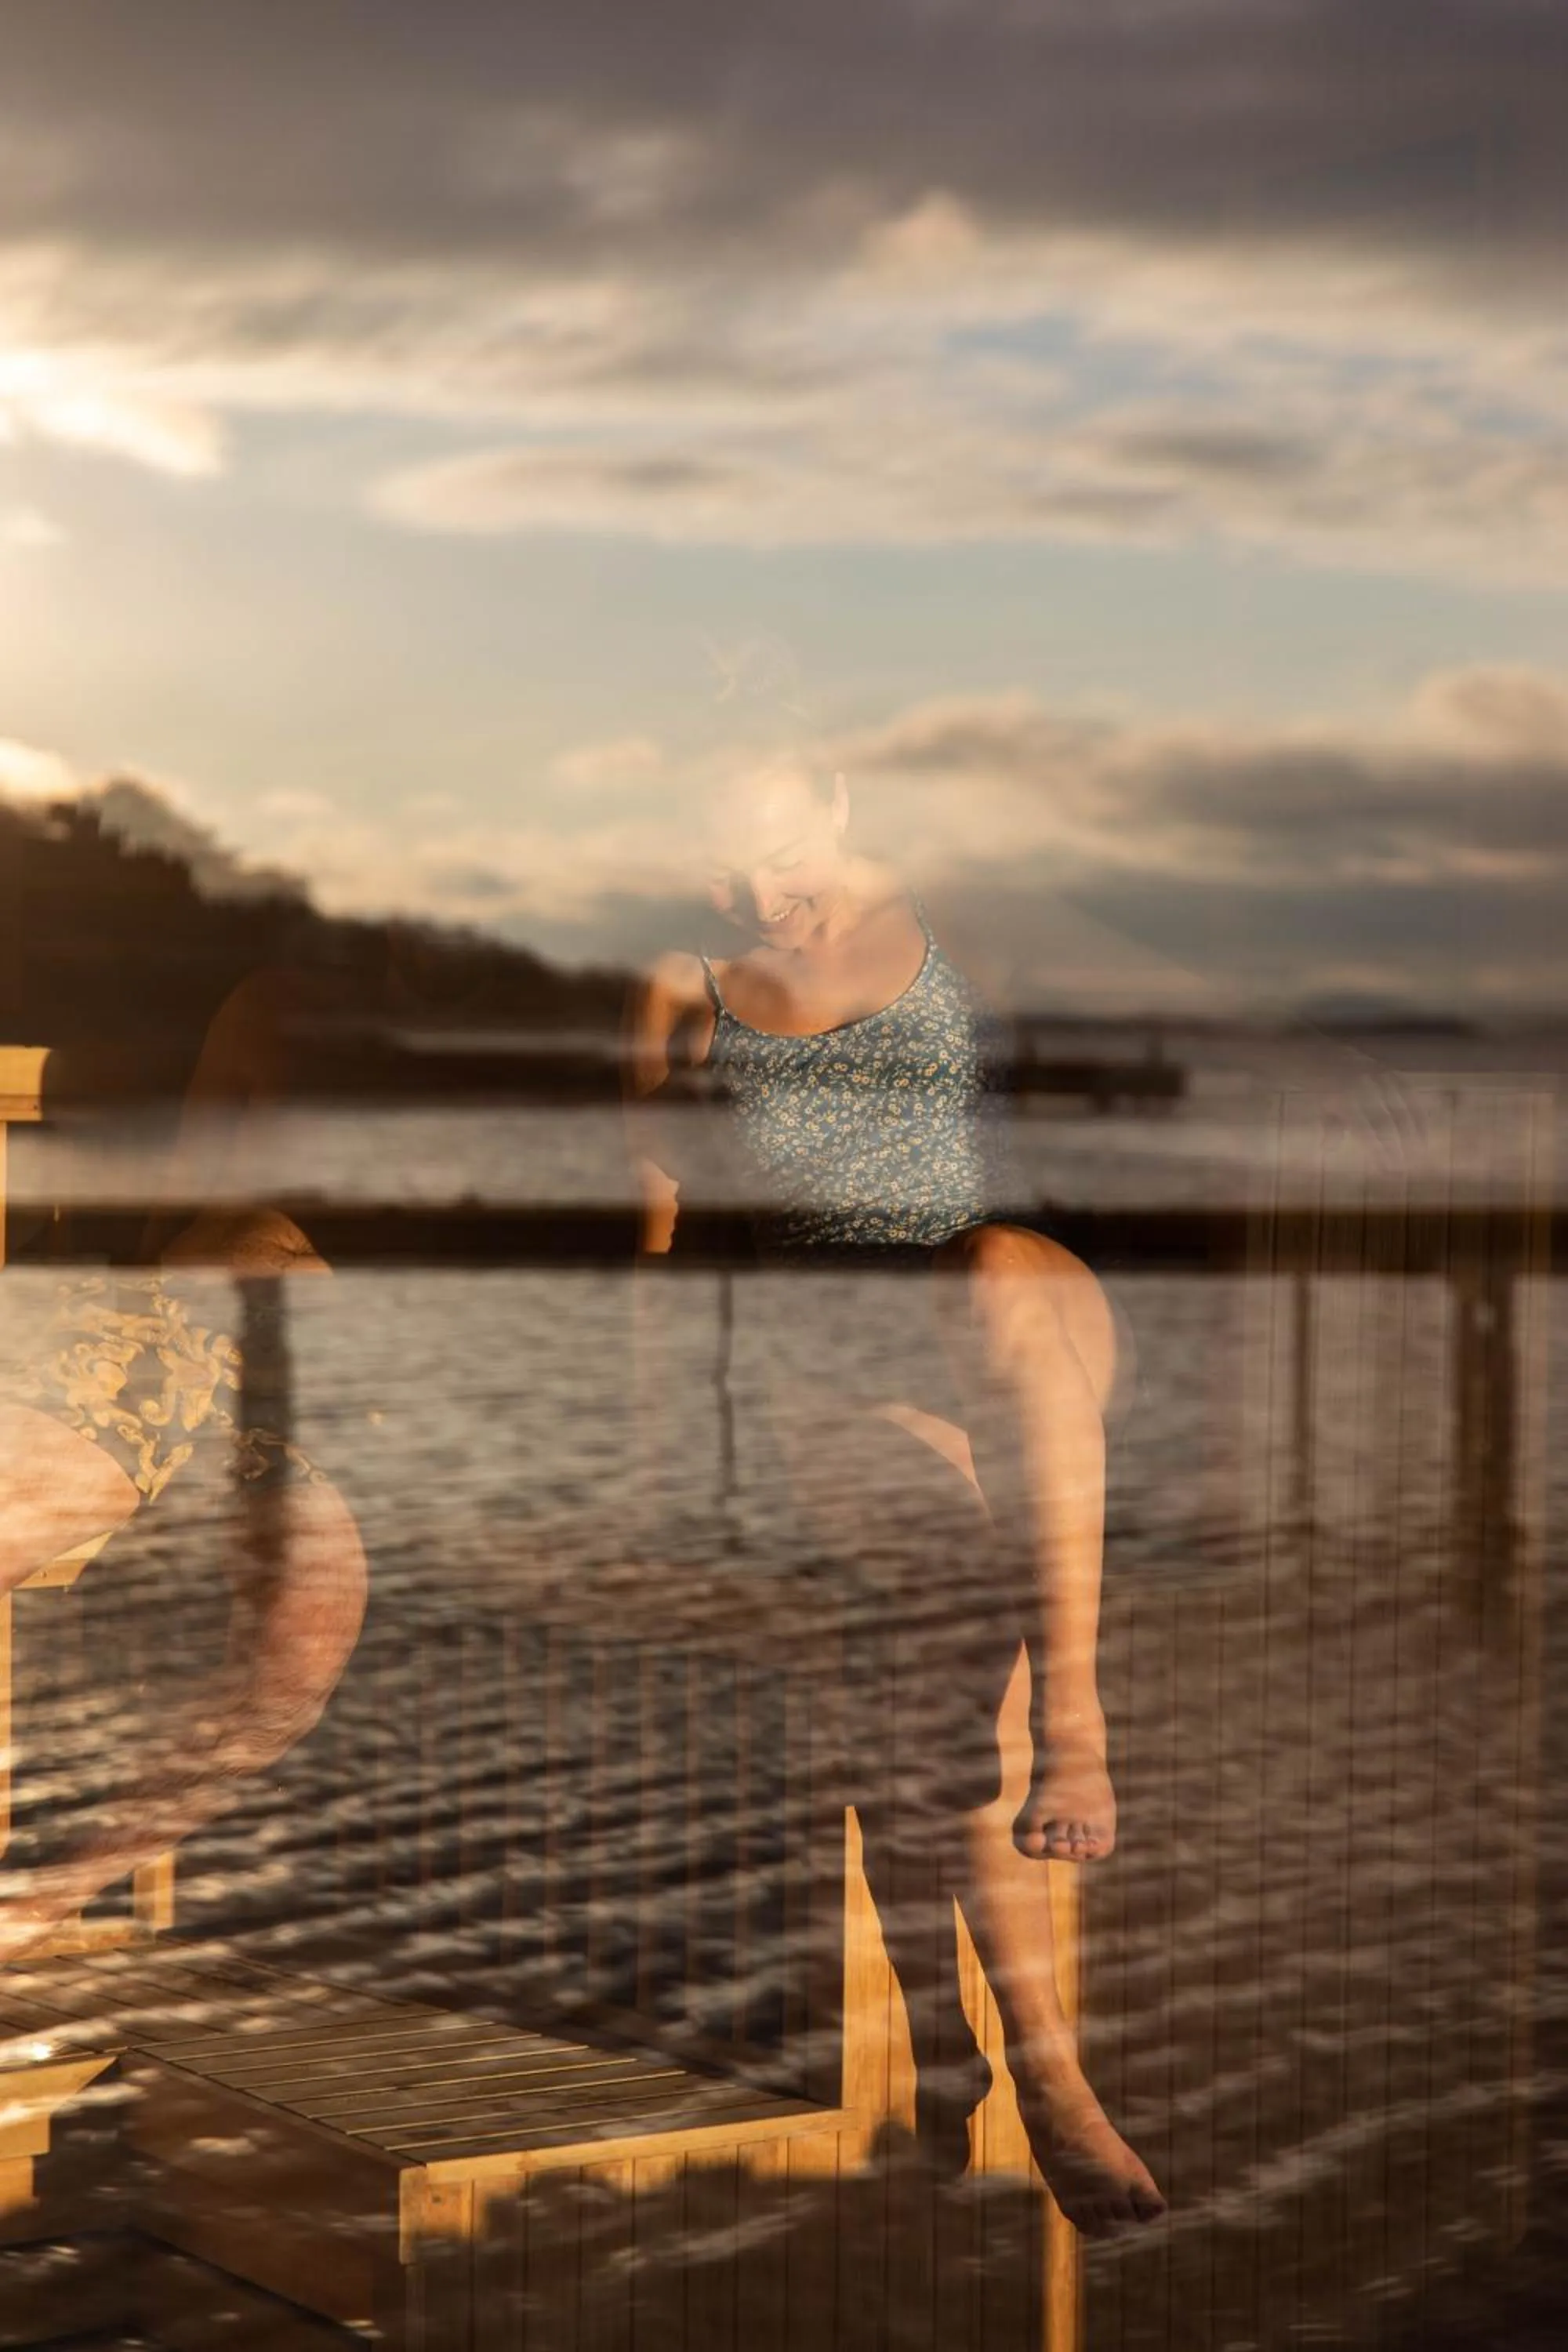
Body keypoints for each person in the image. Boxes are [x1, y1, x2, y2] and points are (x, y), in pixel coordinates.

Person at [625, 757, 1167, 2235]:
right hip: (835, 1354)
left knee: (996, 1268)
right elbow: (647, 1220)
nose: (757, 899)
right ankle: (1033, 2075)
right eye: (720, 872)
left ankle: (1076, 1727)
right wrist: (661, 1455)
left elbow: (1170, 990)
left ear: (841, 796)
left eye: (777, 855)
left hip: (997, 1298)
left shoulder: (958, 912)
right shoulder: (682, 980)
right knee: (950, 1645)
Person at [0, 1044, 367, 1966]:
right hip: (171, 1333)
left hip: (313, 1417)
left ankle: (27, 1914)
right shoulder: (289, 1008)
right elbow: (180, 1196)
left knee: (304, 1638)